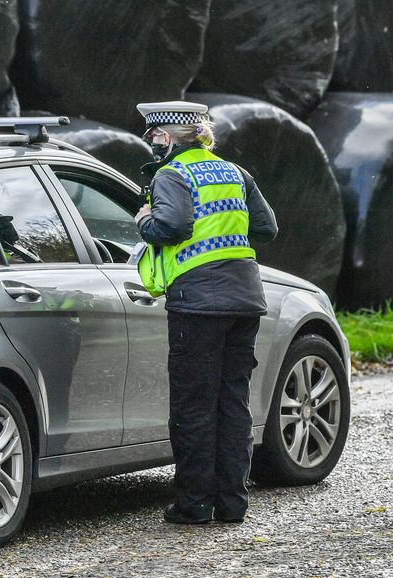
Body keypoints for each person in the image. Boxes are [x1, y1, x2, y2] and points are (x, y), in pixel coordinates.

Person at [133, 100, 278, 525]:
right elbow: (266, 228)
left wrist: (144, 220)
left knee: (194, 405)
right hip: (244, 299)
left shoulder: (172, 174)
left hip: (197, 303)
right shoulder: (235, 172)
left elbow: (172, 227)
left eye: (151, 138)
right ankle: (232, 503)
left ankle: (194, 503)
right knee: (233, 401)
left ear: (164, 137)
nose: (151, 146)